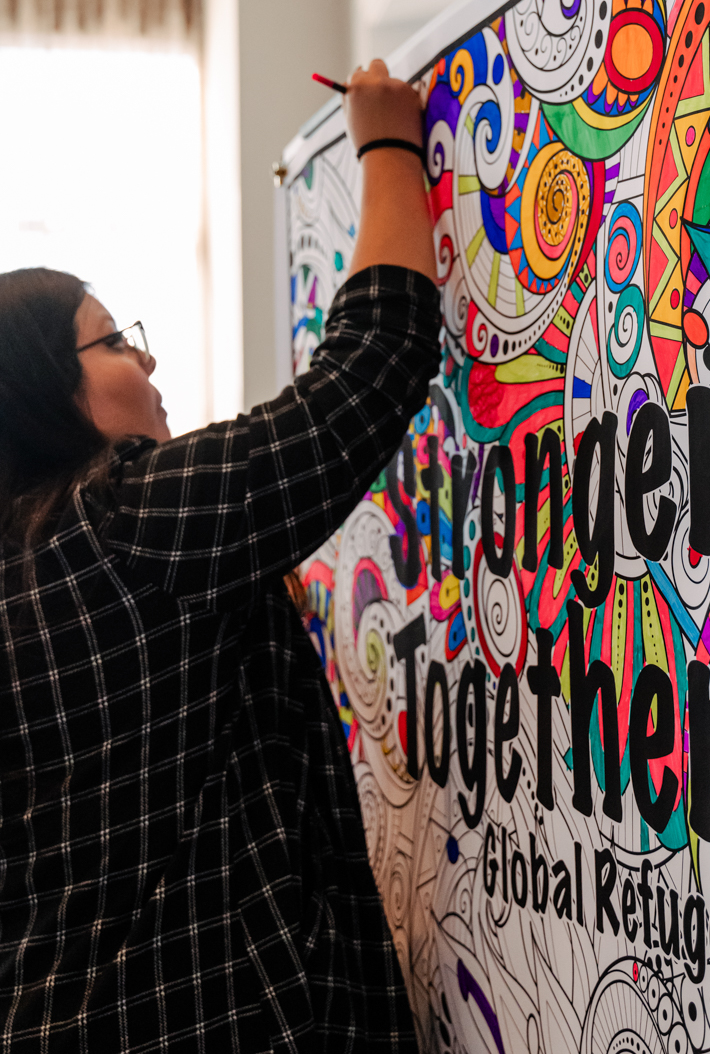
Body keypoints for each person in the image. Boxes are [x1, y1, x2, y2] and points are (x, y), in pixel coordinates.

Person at [0, 60, 439, 1051]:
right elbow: (369, 366)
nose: (145, 361)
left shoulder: (27, 561)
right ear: (40, 390)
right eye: (113, 340)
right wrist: (386, 147)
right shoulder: (120, 520)